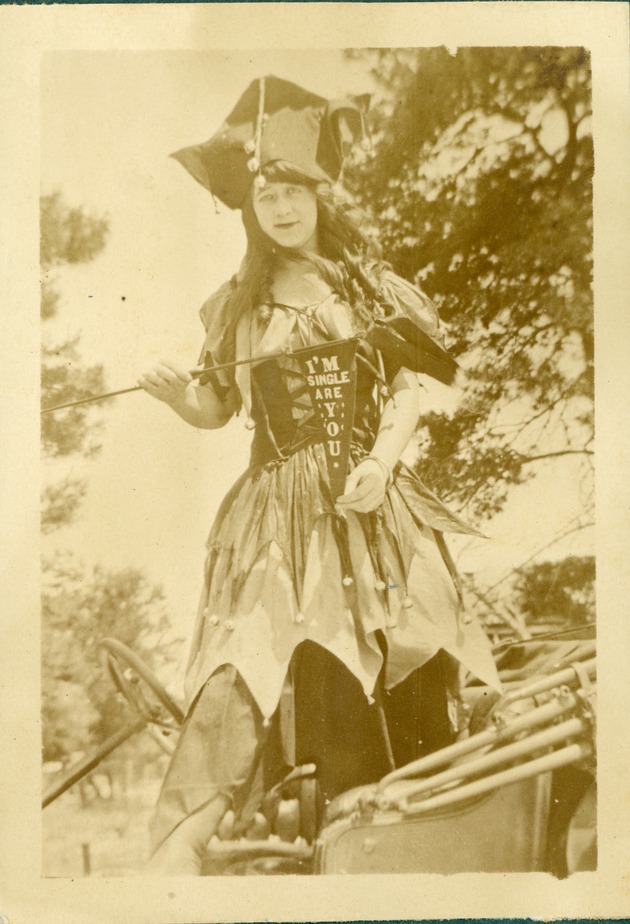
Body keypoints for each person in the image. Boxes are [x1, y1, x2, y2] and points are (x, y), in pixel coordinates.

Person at [138, 76, 500, 875]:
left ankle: (430, 842)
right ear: (251, 207)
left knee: (417, 650)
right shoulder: (239, 305)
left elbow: (406, 395)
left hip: (374, 503)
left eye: (295, 188)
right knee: (289, 671)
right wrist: (175, 396)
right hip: (280, 517)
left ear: (319, 193)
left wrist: (379, 462)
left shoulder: (367, 288)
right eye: (266, 192)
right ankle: (247, 849)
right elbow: (214, 407)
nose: (283, 206)